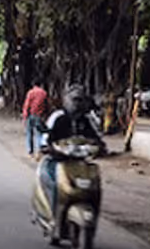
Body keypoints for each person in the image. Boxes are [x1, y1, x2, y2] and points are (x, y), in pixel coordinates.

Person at [38, 84, 105, 218]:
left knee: (95, 186)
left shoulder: (87, 120)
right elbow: (47, 137)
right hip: (59, 160)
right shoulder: (58, 118)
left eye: (80, 100)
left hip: (80, 162)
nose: (77, 104)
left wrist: (100, 147)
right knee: (54, 184)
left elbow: (95, 137)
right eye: (74, 100)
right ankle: (53, 216)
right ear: (66, 100)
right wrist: (48, 147)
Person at [22, 78, 49, 159]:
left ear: (33, 85)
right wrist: (45, 115)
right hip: (39, 115)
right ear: (41, 84)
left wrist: (25, 116)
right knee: (39, 134)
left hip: (30, 115)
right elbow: (46, 105)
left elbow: (27, 105)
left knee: (29, 133)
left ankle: (30, 152)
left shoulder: (31, 92)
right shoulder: (44, 93)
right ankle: (38, 151)